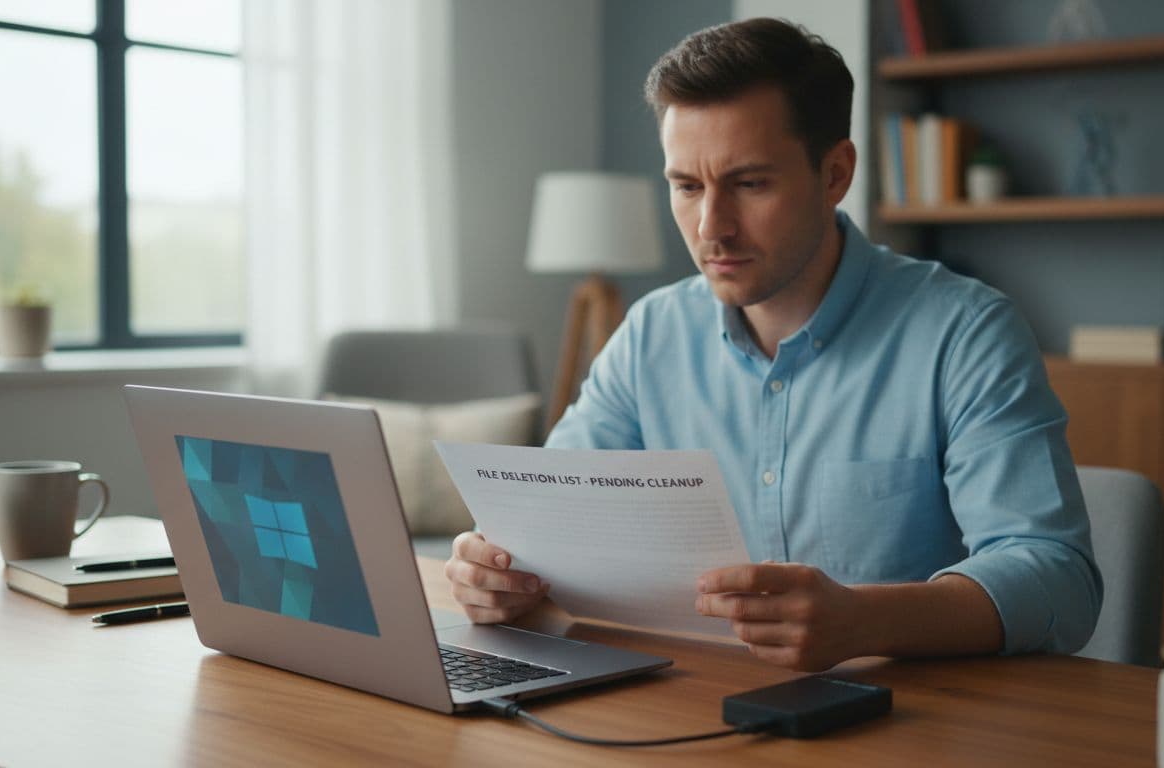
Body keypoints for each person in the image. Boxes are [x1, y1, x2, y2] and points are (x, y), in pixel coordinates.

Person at [446, 17, 1102, 672]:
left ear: (836, 173)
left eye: (750, 183)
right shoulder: (651, 334)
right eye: (687, 186)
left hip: (902, 721)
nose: (712, 229)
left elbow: (1058, 579)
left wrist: (865, 621)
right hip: (685, 704)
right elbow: (551, 524)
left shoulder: (966, 334)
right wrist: (498, 571)